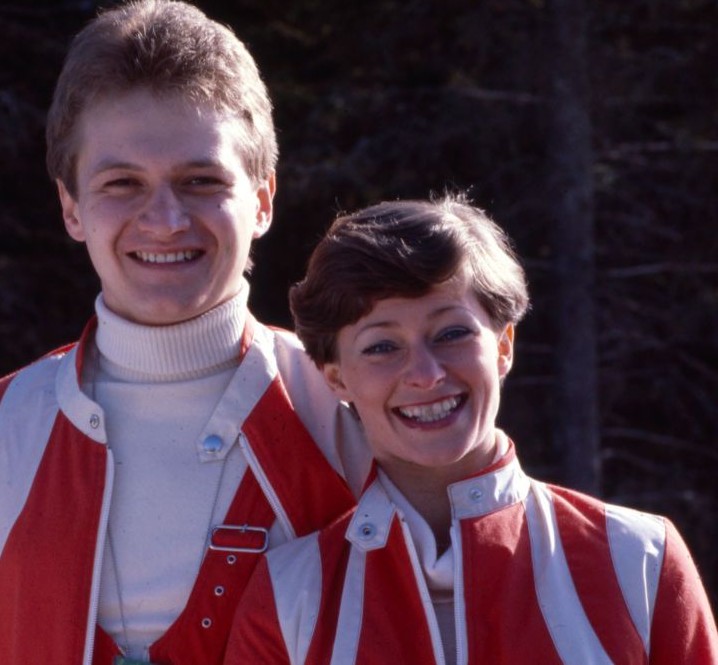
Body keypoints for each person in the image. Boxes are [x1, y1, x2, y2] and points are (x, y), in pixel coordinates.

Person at [0, 0, 370, 665]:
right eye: (121, 183)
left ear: (262, 198)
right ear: (71, 205)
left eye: (201, 180)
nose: (165, 218)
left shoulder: (354, 415)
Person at [225, 196, 718, 664]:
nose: (426, 373)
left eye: (452, 333)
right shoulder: (289, 594)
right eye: (381, 347)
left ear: (504, 345)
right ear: (336, 377)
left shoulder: (641, 560)